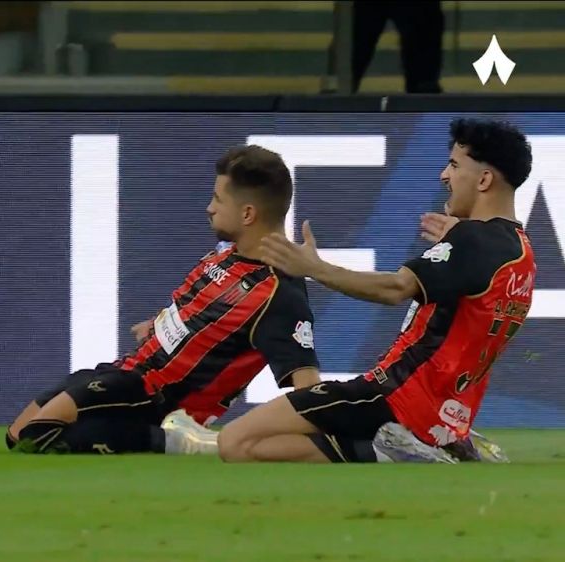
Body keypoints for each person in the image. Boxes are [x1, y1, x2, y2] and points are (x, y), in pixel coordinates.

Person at [213, 117, 534, 464]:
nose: (445, 176)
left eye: (455, 166)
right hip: (444, 414)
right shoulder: (520, 254)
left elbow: (395, 288)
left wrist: (314, 268)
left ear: (484, 180)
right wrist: (457, 241)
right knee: (293, 437)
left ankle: (395, 450)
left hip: (391, 397)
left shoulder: (473, 242)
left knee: (235, 441)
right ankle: (417, 447)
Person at [7, 145, 321, 455]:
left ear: (247, 213)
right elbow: (205, 321)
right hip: (126, 371)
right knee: (17, 435)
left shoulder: (279, 293)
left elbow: (308, 388)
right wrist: (158, 325)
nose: (209, 208)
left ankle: (181, 440)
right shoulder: (225, 256)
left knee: (40, 434)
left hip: (155, 398)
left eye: (218, 199)